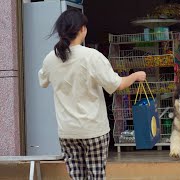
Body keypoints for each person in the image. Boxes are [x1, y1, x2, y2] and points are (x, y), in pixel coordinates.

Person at [38, 9, 146, 179]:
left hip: (67, 131)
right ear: (82, 29)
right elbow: (116, 84)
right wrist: (135, 76)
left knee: (77, 176)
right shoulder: (92, 56)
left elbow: (42, 81)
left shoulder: (50, 58)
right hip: (93, 129)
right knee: (96, 175)